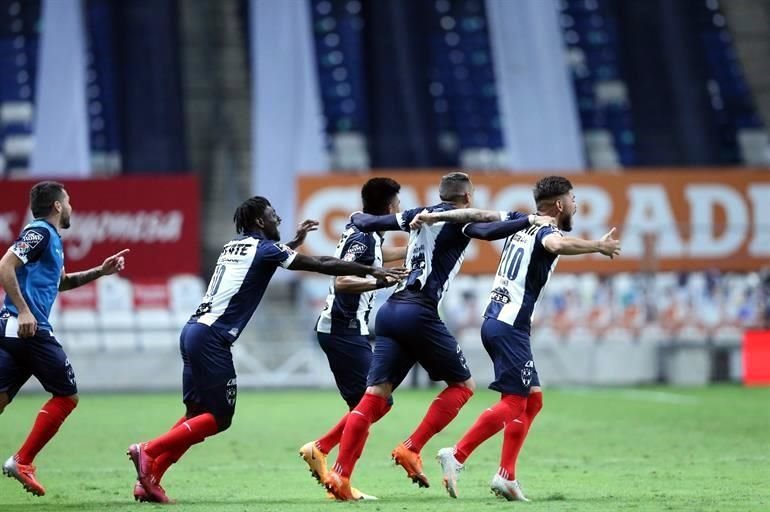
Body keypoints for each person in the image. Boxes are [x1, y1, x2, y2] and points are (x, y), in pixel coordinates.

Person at [126, 195, 407, 504]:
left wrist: (294, 242)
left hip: (193, 331)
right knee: (218, 417)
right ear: (260, 221)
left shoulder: (234, 246)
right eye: (274, 215)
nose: (279, 220)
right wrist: (372, 270)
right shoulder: (265, 250)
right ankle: (148, 450)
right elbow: (322, 263)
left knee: (196, 414)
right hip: (212, 339)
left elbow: (267, 257)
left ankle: (150, 478)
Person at [322, 172, 554, 500]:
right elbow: (487, 230)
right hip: (420, 311)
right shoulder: (458, 220)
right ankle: (412, 447)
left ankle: (341, 476)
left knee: (374, 394)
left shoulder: (418, 214)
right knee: (462, 386)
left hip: (389, 312)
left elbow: (370, 222)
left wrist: (358, 217)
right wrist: (524, 221)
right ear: (467, 198)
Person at [427, 176, 621, 501]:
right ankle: (457, 454)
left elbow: (485, 220)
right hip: (510, 325)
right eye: (573, 199)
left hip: (498, 321)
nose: (575, 205)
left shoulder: (520, 223)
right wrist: (597, 246)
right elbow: (556, 245)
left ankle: (506, 476)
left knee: (533, 400)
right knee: (515, 402)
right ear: (560, 204)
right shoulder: (547, 230)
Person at [0, 181, 130, 497]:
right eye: (68, 201)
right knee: (67, 396)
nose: (71, 206)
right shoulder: (40, 232)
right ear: (57, 206)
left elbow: (62, 284)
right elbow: (5, 264)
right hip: (29, 328)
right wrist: (25, 311)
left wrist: (100, 271)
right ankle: (22, 461)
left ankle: (23, 460)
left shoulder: (52, 241)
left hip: (15, 331)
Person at [299, 178, 407, 500]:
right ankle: (337, 477)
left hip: (348, 329)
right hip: (342, 329)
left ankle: (322, 451)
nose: (399, 209)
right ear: (389, 207)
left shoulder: (367, 235)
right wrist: (380, 281)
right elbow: (344, 280)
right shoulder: (363, 237)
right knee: (373, 404)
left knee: (374, 403)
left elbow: (377, 257)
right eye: (397, 204)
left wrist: (416, 251)